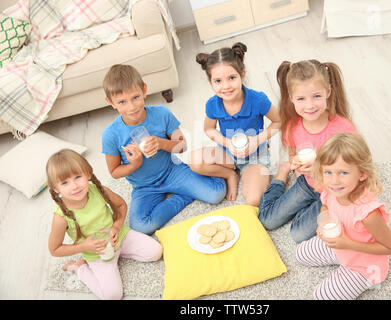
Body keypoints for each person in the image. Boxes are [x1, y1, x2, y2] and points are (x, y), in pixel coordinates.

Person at [101, 64, 226, 235]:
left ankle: (209, 170)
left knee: (216, 194)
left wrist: (161, 143)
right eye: (122, 102)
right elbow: (114, 172)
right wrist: (134, 164)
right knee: (140, 226)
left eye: (135, 97)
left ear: (144, 90)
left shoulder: (161, 113)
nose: (131, 107)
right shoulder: (110, 134)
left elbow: (182, 146)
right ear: (110, 102)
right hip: (144, 187)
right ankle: (183, 196)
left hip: (172, 171)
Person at [258, 59, 357, 242]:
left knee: (298, 234)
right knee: (267, 220)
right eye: (301, 99)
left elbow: (354, 167)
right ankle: (281, 175)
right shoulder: (293, 127)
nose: (310, 105)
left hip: (335, 189)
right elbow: (293, 153)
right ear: (291, 98)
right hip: (308, 183)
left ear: (328, 92)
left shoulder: (342, 128)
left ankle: (317, 206)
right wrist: (295, 164)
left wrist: (320, 169)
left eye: (316, 96)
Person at [47, 149, 163, 300]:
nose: (74, 186)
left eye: (77, 177)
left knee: (156, 251)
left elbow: (121, 205)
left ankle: (120, 254)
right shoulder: (60, 217)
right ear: (56, 189)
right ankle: (80, 268)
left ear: (88, 174)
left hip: (119, 237)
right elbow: (54, 249)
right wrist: (84, 247)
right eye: (65, 182)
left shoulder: (100, 191)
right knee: (113, 296)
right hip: (96, 254)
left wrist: (116, 226)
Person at [296, 133, 391, 300]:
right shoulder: (332, 190)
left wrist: (348, 244)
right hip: (341, 245)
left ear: (362, 174)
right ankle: (340, 257)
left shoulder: (368, 213)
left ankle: (349, 269)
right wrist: (323, 223)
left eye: (343, 173)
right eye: (328, 172)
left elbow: (390, 248)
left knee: (321, 297)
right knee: (301, 253)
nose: (334, 181)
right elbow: (326, 206)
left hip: (364, 266)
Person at [189, 42, 281, 206]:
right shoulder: (212, 104)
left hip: (255, 155)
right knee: (194, 161)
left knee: (253, 199)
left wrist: (256, 141)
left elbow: (278, 121)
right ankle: (230, 175)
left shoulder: (258, 99)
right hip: (228, 153)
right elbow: (208, 129)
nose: (225, 86)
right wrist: (227, 144)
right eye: (218, 81)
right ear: (211, 82)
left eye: (231, 78)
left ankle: (247, 174)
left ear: (242, 75)